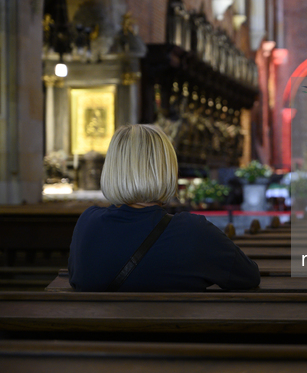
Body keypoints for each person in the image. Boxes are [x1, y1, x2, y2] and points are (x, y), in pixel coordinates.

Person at [68, 124, 260, 291]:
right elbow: (249, 276)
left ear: (112, 170)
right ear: (167, 169)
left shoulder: (88, 224)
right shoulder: (194, 231)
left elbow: (76, 280)